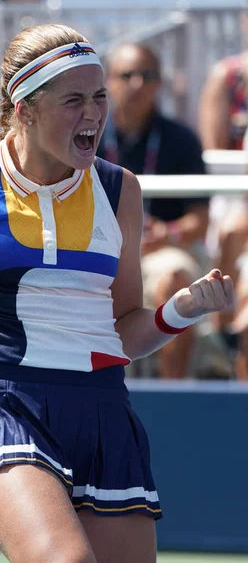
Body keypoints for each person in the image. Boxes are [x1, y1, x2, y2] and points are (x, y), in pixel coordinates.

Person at [0, 24, 234, 562]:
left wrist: (180, 311)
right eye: (74, 100)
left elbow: (122, 332)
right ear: (25, 109)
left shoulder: (120, 189)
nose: (95, 113)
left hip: (103, 410)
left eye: (100, 96)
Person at [97, 42, 211, 379]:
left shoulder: (181, 138)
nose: (137, 84)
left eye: (146, 75)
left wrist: (168, 234)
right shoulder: (87, 136)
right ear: (109, 81)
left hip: (165, 250)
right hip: (102, 248)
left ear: (159, 82)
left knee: (174, 281)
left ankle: (170, 398)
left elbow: (200, 220)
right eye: (127, 75)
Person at [198, 5, 248, 379]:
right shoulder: (226, 76)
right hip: (235, 201)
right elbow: (214, 160)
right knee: (233, 228)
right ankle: (224, 335)